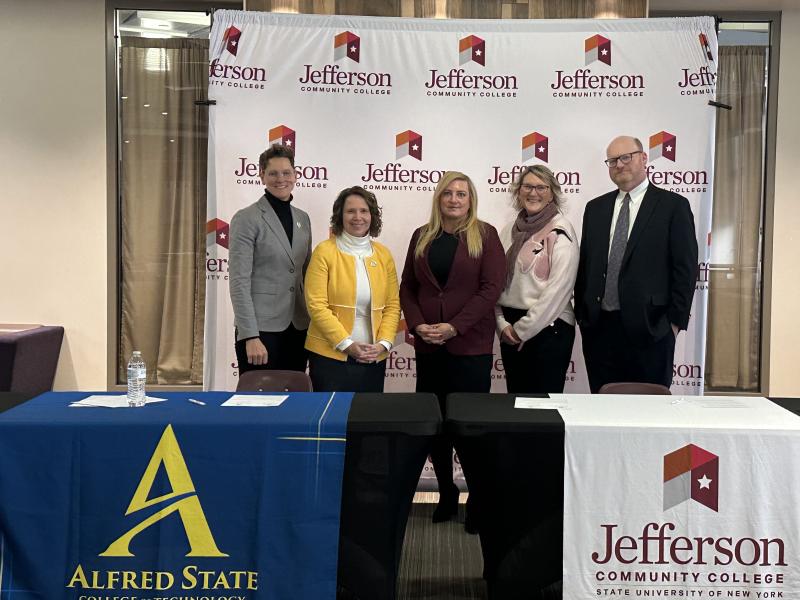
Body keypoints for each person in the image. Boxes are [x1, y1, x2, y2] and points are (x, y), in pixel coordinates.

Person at [399, 171, 505, 530]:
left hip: (469, 347)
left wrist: (454, 326)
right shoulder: (421, 236)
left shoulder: (485, 236)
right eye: (448, 193)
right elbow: (407, 288)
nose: (455, 199)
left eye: (462, 194)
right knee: (436, 426)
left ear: (471, 199)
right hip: (429, 348)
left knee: (470, 429)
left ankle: (478, 499)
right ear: (438, 198)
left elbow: (491, 289)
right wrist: (416, 326)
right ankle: (446, 492)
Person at [575, 135, 698, 393]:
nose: (619, 165)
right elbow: (586, 266)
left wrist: (672, 325)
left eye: (625, 157)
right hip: (600, 330)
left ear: (643, 158)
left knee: (649, 412)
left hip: (651, 329)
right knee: (603, 409)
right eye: (612, 161)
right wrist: (584, 318)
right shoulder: (595, 208)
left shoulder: (673, 206)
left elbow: (685, 269)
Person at [304, 187, 400, 392]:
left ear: (372, 216)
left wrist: (383, 344)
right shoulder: (324, 251)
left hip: (373, 358)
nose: (358, 217)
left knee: (368, 420)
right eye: (350, 211)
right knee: (332, 421)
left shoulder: (383, 255)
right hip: (329, 356)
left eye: (364, 211)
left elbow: (392, 306)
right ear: (340, 215)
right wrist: (347, 344)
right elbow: (316, 306)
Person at [495, 165, 579, 394]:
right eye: (528, 187)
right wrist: (502, 324)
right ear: (518, 192)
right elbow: (494, 284)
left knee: (543, 409)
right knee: (516, 403)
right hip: (510, 326)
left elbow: (558, 291)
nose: (534, 193)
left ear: (552, 193)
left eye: (541, 187)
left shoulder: (561, 231)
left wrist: (522, 330)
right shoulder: (508, 231)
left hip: (549, 328)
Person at [228, 144, 312, 374]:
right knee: (257, 404)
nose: (280, 179)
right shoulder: (246, 218)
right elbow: (238, 282)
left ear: (295, 175)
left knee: (295, 403)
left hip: (298, 327)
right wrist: (249, 335)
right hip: (261, 332)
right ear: (262, 175)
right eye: (273, 173)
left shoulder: (303, 219)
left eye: (286, 172)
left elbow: (306, 274)